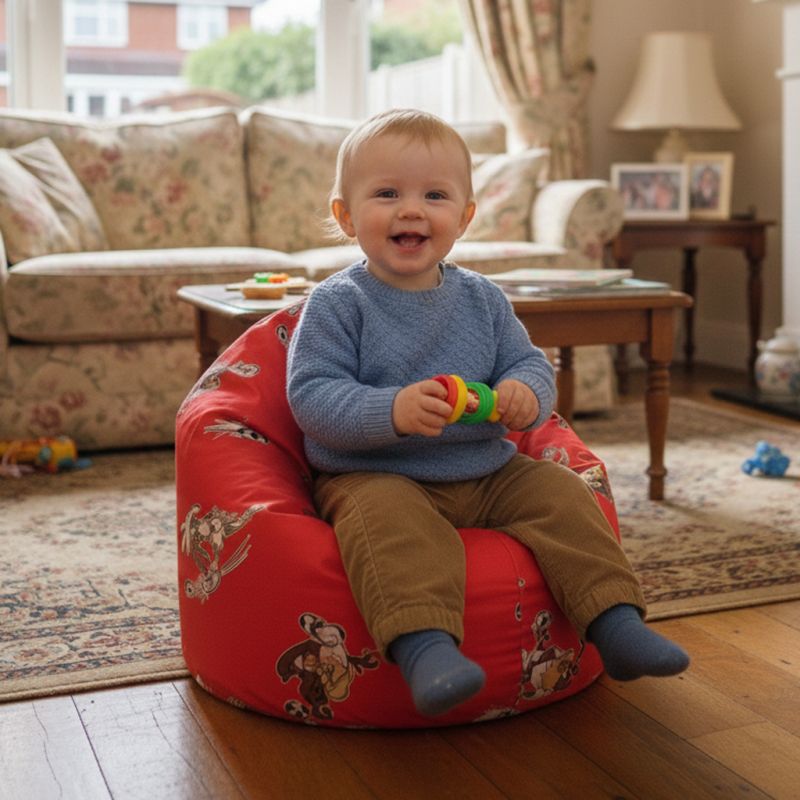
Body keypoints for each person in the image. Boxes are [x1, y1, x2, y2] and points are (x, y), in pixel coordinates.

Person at [286, 109, 689, 718]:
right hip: (374, 472)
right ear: (345, 215)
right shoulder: (338, 303)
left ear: (465, 217)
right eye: (387, 193)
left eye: (435, 195)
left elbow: (528, 366)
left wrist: (527, 394)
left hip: (485, 467)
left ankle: (616, 624)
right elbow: (311, 396)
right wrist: (389, 410)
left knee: (562, 493)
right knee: (388, 525)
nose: (412, 209)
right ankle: (427, 650)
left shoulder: (484, 299)